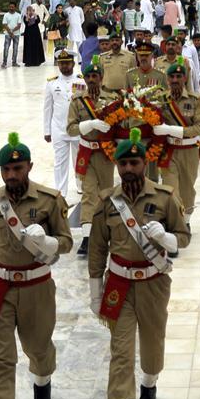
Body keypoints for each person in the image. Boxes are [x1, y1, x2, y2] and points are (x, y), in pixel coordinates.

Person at [88, 128, 190, 399]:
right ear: (117, 166)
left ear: (145, 164)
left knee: (152, 340)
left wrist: (166, 238)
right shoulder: (107, 202)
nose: (129, 168)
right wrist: (95, 291)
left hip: (154, 282)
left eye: (134, 163)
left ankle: (149, 381)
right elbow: (97, 249)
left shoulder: (165, 197)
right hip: (118, 284)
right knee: (120, 351)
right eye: (123, 164)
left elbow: (183, 237)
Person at [0, 132, 72, 399]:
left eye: (17, 168)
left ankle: (42, 383)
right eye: (6, 170)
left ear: (29, 166)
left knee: (38, 348)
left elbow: (66, 243)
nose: (11, 175)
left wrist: (48, 241)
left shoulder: (49, 200)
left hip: (36, 288)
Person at [67, 57, 115, 256]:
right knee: (88, 194)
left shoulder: (112, 99)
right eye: (89, 76)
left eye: (95, 76)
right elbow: (70, 129)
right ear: (85, 79)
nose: (92, 79)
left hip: (105, 153)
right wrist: (90, 125)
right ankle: (87, 237)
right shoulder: (77, 101)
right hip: (86, 152)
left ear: (102, 78)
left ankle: (108, 232)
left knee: (107, 193)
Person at [154, 58, 200, 229]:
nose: (175, 80)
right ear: (167, 79)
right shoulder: (161, 99)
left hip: (189, 150)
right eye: (172, 77)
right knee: (170, 188)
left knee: (187, 189)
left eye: (179, 76)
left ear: (185, 78)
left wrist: (172, 129)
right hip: (169, 150)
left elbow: (199, 127)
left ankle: (186, 221)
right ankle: (174, 222)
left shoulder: (195, 99)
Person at [44, 50, 86, 198]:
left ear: (73, 64)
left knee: (79, 159)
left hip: (77, 128)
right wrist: (47, 131)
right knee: (60, 162)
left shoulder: (82, 81)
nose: (64, 66)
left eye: (67, 63)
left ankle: (81, 185)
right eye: (61, 63)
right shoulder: (52, 83)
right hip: (58, 128)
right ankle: (61, 192)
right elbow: (47, 108)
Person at [2, 3, 22, 67]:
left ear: (15, 7)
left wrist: (12, 32)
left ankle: (14, 62)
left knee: (15, 48)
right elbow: (5, 24)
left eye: (12, 7)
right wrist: (10, 33)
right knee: (6, 48)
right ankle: (4, 62)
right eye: (10, 7)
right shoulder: (6, 15)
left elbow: (19, 25)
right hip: (8, 34)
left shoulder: (18, 15)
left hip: (16, 34)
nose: (11, 8)